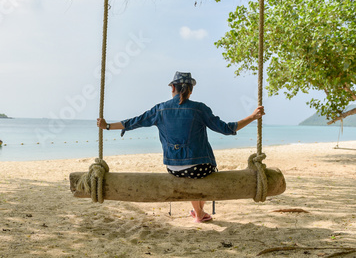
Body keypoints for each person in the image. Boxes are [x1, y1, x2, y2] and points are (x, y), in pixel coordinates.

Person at [97, 71, 265, 223]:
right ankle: (199, 213)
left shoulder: (160, 109)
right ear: (190, 90)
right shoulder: (200, 109)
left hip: (173, 168)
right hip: (201, 168)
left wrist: (108, 126)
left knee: (188, 174)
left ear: (172, 88)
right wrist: (252, 116)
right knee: (200, 171)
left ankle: (199, 213)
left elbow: (134, 122)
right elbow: (228, 128)